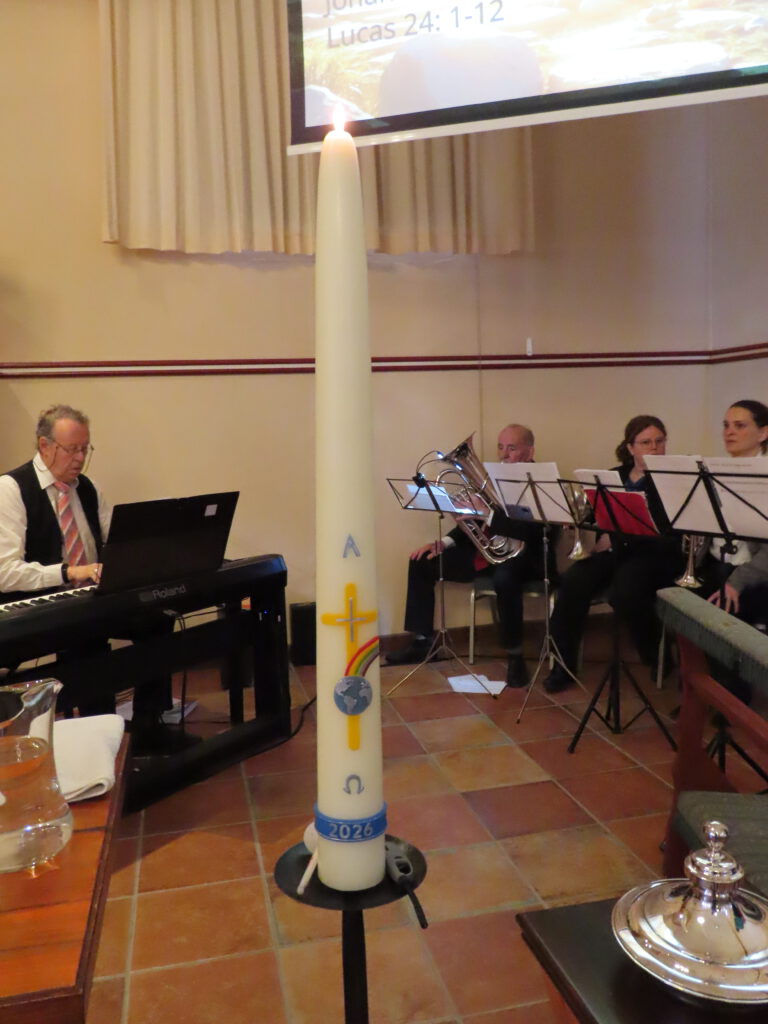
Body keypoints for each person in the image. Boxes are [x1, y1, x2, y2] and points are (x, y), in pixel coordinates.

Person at [0, 404, 181, 750]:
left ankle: (149, 726)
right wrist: (68, 572)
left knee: (156, 620)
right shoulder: (11, 489)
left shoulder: (88, 488)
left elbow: (114, 542)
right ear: (44, 446)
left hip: (91, 597)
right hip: (42, 604)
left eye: (85, 449)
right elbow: (5, 572)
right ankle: (99, 740)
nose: (81, 458)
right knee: (87, 638)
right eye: (72, 449)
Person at [385, 424, 553, 688]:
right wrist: (443, 543)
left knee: (505, 579)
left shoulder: (541, 482)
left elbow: (534, 531)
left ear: (530, 451)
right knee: (422, 562)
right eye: (501, 447)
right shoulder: (492, 478)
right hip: (487, 553)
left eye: (512, 448)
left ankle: (515, 656)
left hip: (526, 558)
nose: (504, 454)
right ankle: (422, 642)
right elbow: (475, 521)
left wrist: (486, 513)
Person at [543, 415, 685, 694]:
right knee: (573, 581)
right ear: (631, 447)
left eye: (659, 441)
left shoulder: (673, 481)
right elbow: (594, 513)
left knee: (626, 590)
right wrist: (575, 518)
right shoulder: (613, 477)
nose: (654, 448)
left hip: (654, 556)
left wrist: (615, 537)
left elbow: (666, 532)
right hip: (616, 551)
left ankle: (656, 655)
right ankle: (563, 665)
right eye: (646, 442)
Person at [695, 399, 768, 620]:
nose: (729, 432)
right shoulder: (714, 472)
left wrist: (736, 583)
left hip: (751, 572)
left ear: (763, 433)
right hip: (715, 563)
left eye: (740, 425)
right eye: (726, 425)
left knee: (720, 614)